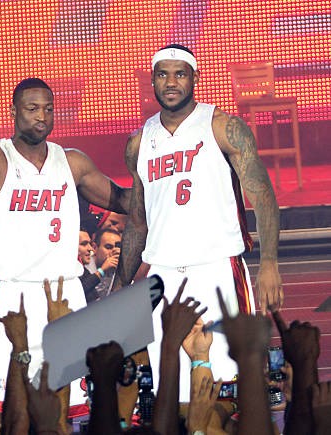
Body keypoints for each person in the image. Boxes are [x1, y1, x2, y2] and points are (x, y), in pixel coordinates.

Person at [0, 69, 131, 405]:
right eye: (32, 108)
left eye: (48, 109)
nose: (42, 116)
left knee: (71, 405)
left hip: (65, 293)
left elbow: (123, 200)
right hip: (11, 294)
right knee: (8, 404)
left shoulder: (72, 162)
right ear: (13, 111)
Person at [118, 44, 282, 401]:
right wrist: (121, 284)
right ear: (152, 81)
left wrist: (269, 262)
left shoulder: (223, 127)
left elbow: (263, 196)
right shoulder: (139, 143)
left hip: (217, 269)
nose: (171, 82)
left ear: (195, 78)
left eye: (180, 74)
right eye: (162, 75)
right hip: (163, 275)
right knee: (172, 394)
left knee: (230, 388)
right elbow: (137, 222)